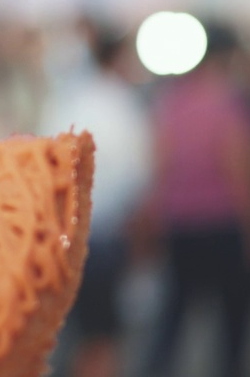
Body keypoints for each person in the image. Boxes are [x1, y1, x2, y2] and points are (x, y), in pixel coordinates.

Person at [140, 24, 250, 377]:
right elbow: (238, 171)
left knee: (172, 323)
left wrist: (154, 223)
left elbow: (159, 169)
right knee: (232, 330)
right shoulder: (229, 105)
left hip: (181, 227)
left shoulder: (171, 103)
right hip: (222, 226)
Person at [41, 20, 151, 377]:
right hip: (103, 237)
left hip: (62, 235)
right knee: (101, 339)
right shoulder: (123, 107)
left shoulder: (70, 99)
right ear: (117, 57)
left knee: (62, 337)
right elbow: (140, 177)